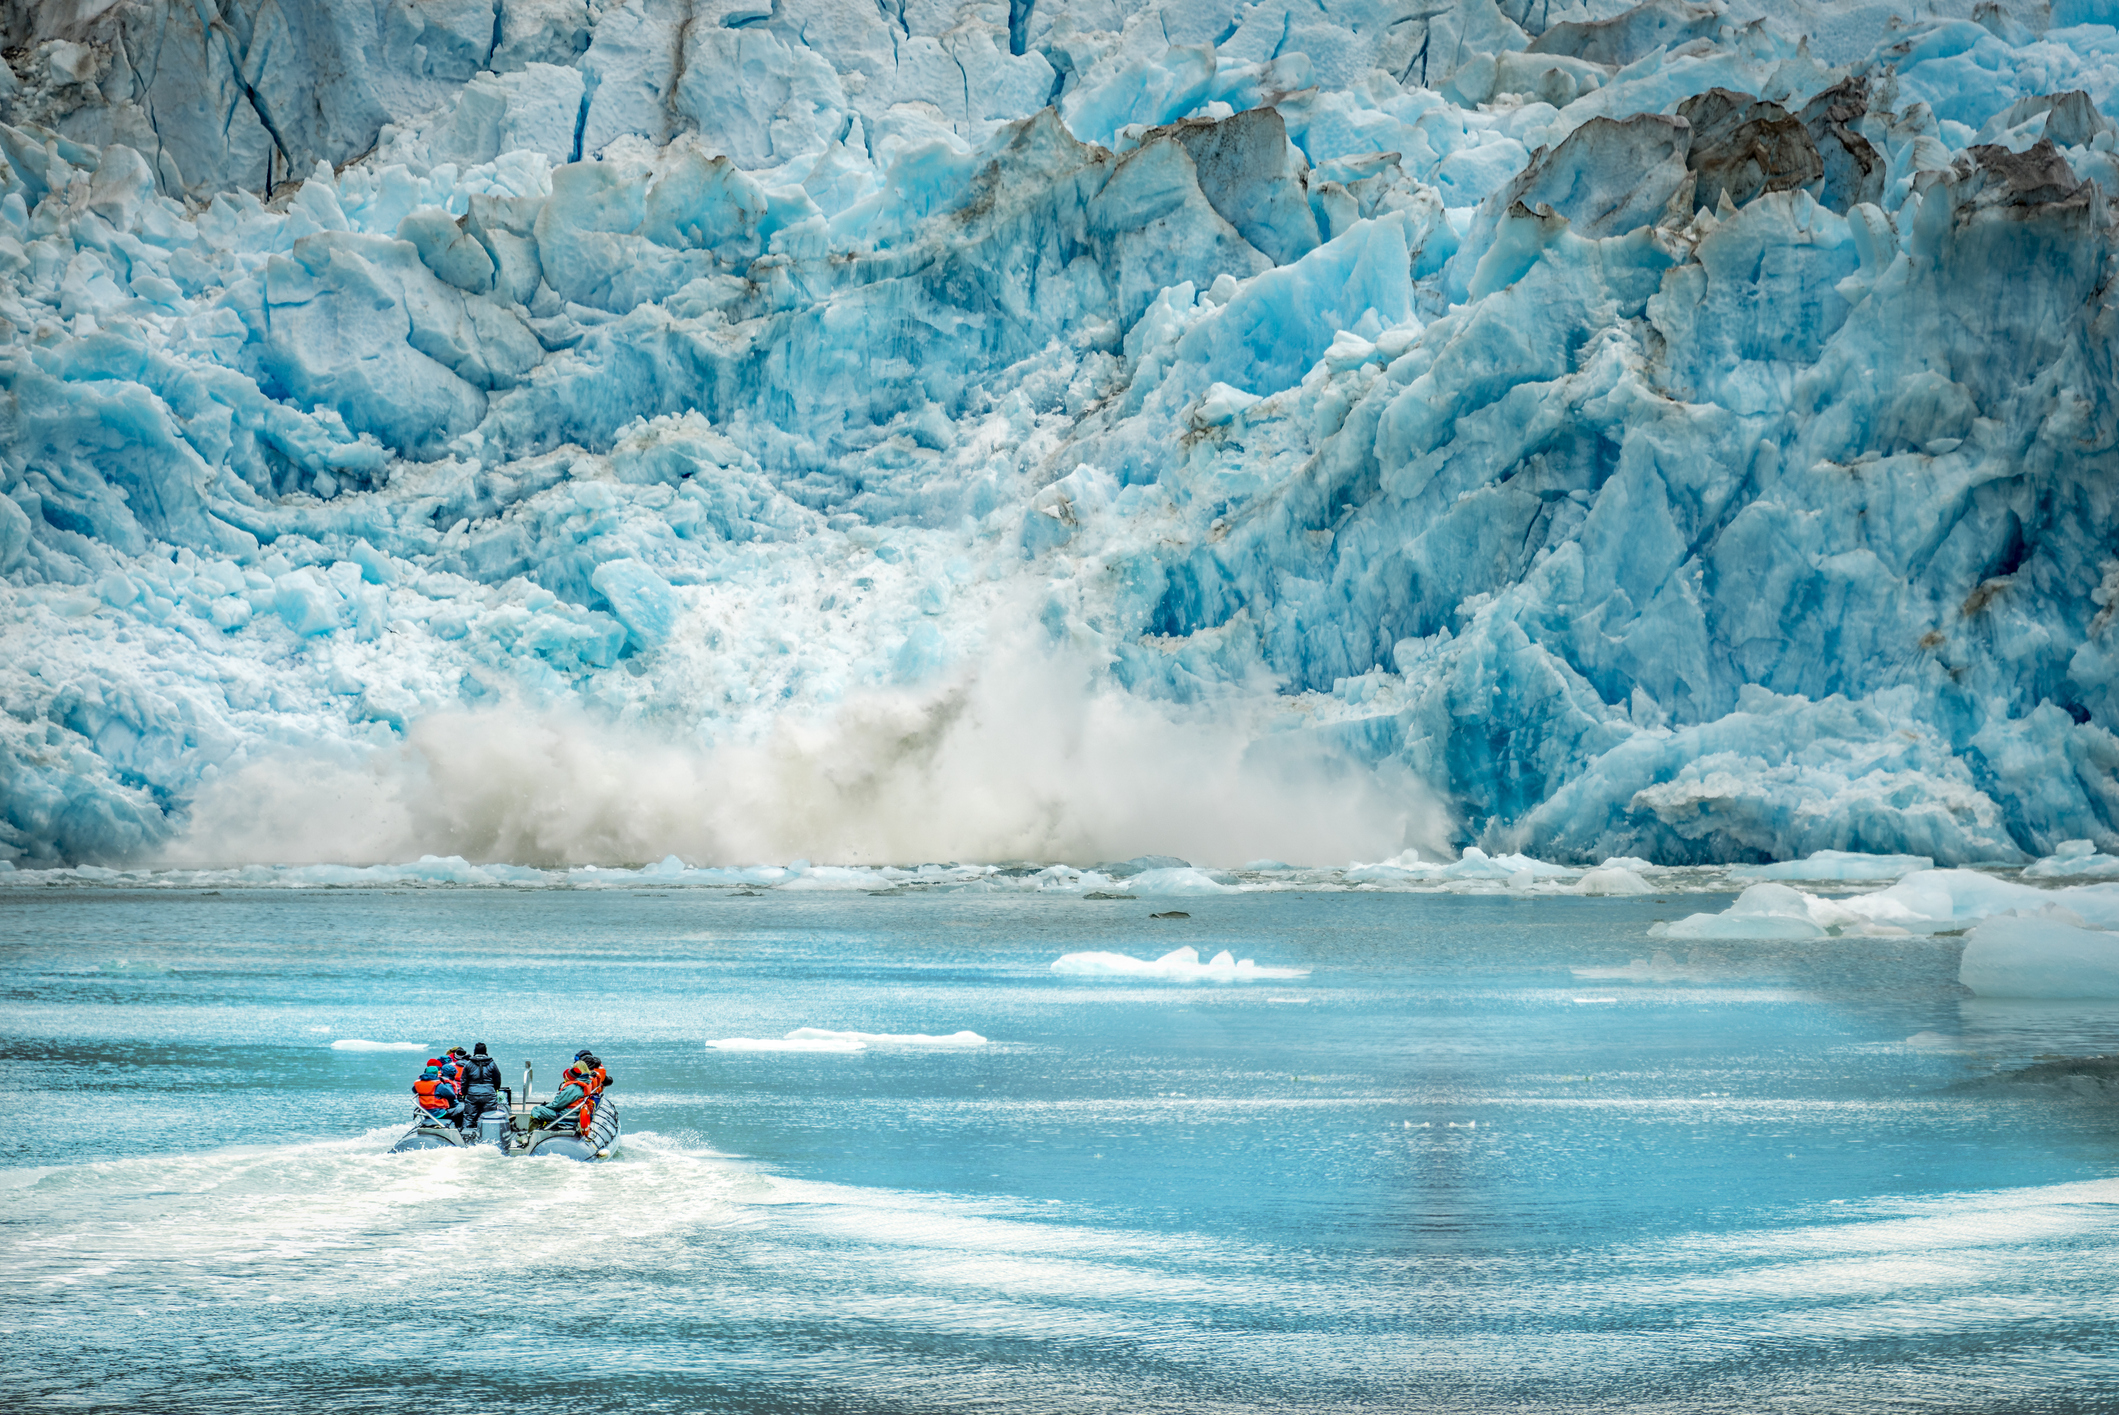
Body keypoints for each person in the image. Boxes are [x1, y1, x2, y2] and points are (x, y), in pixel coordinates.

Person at [531, 1050, 613, 1132]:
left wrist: (545, 1106)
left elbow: (558, 1105)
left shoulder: (575, 1087)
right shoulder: (588, 1082)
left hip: (568, 1114)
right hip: (577, 1111)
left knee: (537, 1110)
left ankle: (530, 1134)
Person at [457, 1043, 503, 1123]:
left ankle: (467, 1130)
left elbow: (464, 1080)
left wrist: (464, 1093)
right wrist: (495, 1089)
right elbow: (497, 1079)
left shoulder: (469, 1064)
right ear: (485, 1051)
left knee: (469, 1117)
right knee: (489, 1116)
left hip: (472, 1093)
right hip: (489, 1092)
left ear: (475, 1051)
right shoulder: (492, 1063)